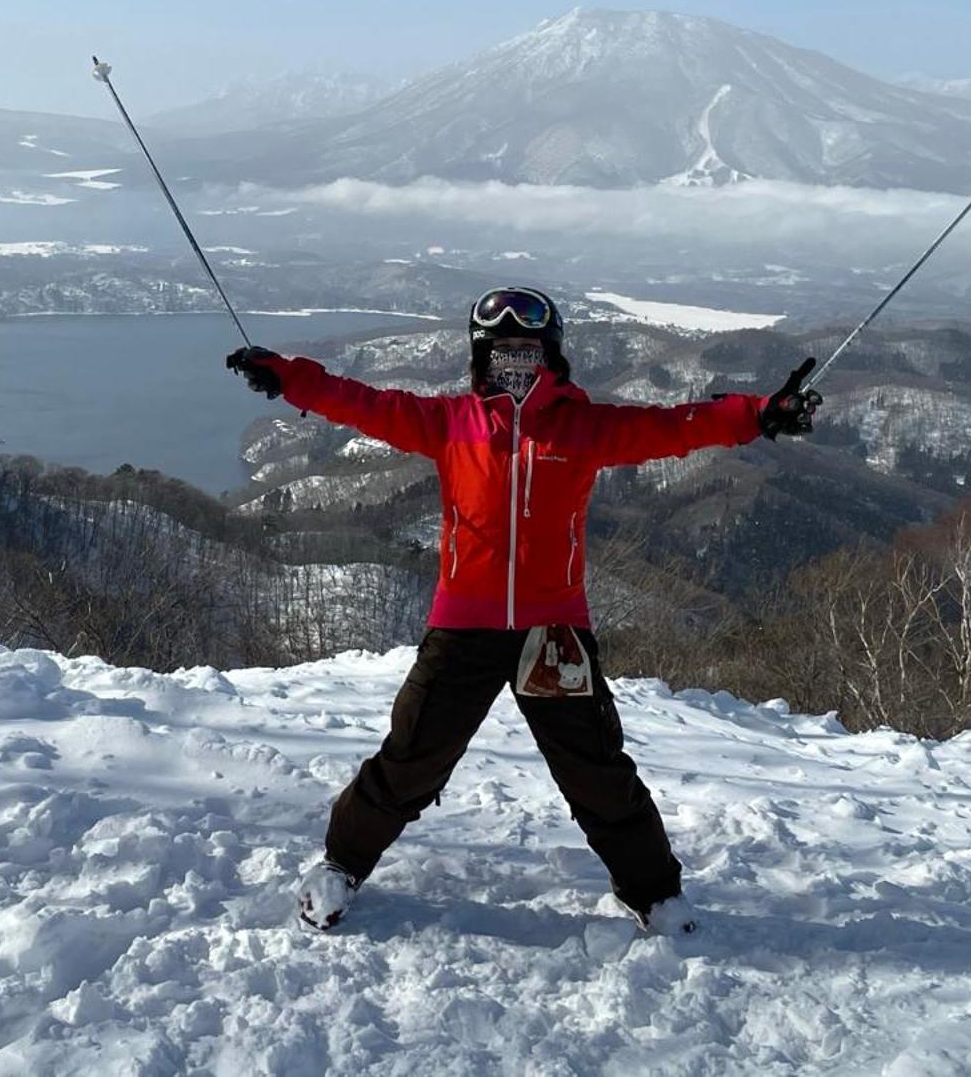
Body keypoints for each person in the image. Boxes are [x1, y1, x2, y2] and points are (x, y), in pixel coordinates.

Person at [225, 286, 820, 933]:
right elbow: (362, 403)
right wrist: (287, 378)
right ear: (481, 359)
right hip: (463, 626)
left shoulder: (582, 427)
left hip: (554, 631)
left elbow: (673, 427)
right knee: (411, 759)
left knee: (594, 771)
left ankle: (655, 895)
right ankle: (341, 864)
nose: (515, 365)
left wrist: (759, 414)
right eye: (501, 352)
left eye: (527, 352)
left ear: (551, 357)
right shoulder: (451, 423)